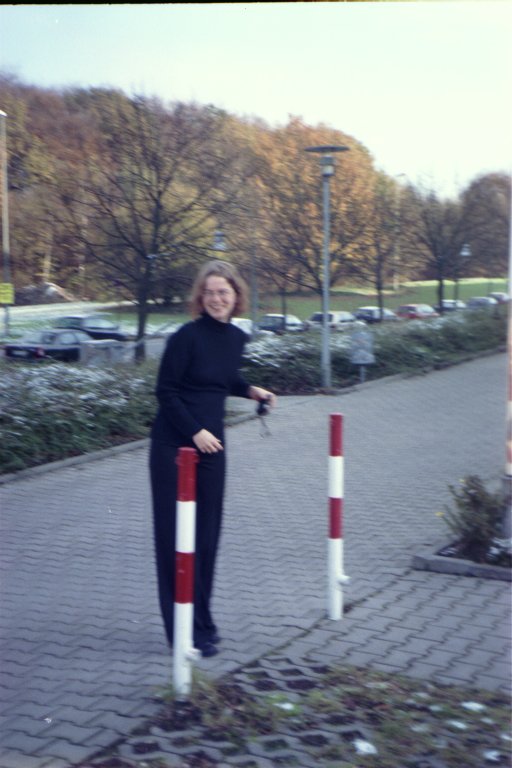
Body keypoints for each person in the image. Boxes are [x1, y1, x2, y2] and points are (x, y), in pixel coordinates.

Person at [149, 260, 276, 658]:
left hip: (212, 447)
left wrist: (251, 390)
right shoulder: (185, 337)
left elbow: (221, 379)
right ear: (200, 297)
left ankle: (202, 621)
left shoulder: (236, 337)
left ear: (236, 296)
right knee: (174, 539)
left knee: (206, 537)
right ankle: (181, 631)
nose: (217, 299)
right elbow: (167, 391)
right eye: (210, 292)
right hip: (174, 448)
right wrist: (194, 432)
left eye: (224, 292)